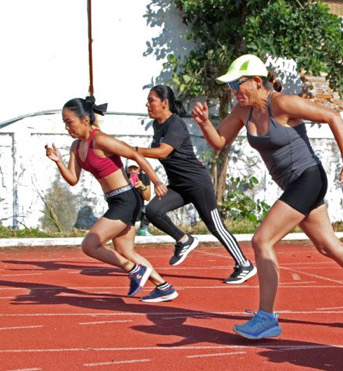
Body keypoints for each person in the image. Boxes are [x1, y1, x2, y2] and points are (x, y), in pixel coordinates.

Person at [192, 54, 343, 339]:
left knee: (261, 240)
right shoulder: (244, 112)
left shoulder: (282, 103)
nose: (234, 92)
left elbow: (332, 116)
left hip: (309, 178)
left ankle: (266, 317)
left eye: (238, 85)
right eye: (230, 87)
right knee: (328, 246)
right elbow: (218, 142)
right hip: (293, 185)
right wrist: (204, 123)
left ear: (256, 81)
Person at [45, 96, 178, 303]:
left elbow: (135, 155)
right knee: (125, 251)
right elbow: (72, 179)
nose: (66, 127)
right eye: (64, 122)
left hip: (127, 199)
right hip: (115, 201)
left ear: (85, 120)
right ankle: (164, 287)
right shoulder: (76, 147)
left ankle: (134, 270)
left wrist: (157, 181)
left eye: (69, 122)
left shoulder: (100, 140)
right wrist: (58, 162)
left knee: (90, 245)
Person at [136, 85, 255, 284]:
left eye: (151, 100)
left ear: (164, 103)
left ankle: (244, 264)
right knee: (153, 210)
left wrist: (133, 149)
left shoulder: (175, 124)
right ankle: (184, 240)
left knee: (215, 226)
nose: (147, 104)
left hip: (197, 184)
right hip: (178, 186)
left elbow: (163, 152)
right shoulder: (158, 125)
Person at [126, 163, 152, 236]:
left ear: (139, 169)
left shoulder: (144, 177)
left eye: (135, 168)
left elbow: (147, 198)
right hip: (126, 209)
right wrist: (127, 186)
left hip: (139, 208)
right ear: (127, 170)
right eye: (130, 169)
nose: (133, 171)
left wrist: (142, 186)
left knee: (151, 209)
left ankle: (143, 229)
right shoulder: (123, 178)